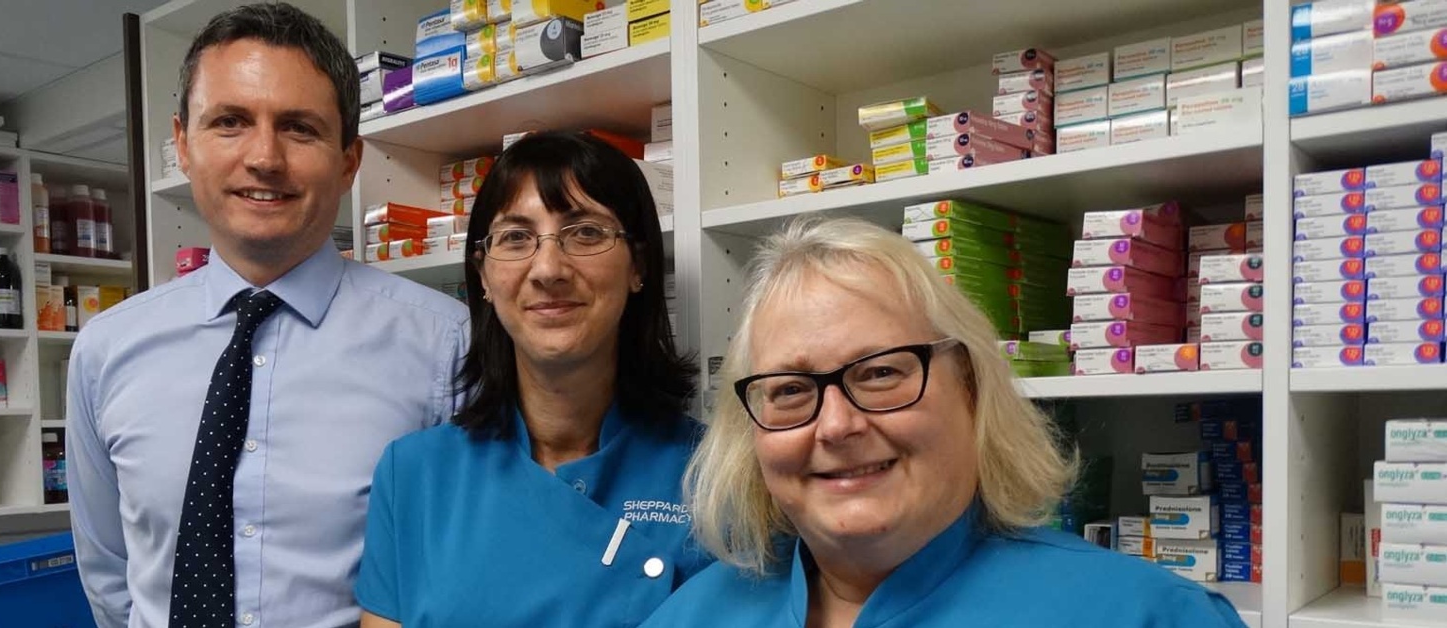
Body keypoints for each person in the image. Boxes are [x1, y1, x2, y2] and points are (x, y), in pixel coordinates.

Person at [66, 4, 469, 628]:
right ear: (182, 145)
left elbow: (463, 570)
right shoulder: (106, 348)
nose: (264, 158)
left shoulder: (445, 345)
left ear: (348, 160)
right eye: (229, 122)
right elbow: (109, 574)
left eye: (299, 128)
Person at [641, 217, 1247, 627]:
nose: (835, 426)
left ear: (971, 389)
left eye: (880, 374)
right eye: (792, 390)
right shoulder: (693, 615)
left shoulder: (1142, 614)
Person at [355, 131, 706, 627]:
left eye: (585, 232)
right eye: (515, 237)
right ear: (482, 275)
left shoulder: (716, 477)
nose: (547, 269)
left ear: (639, 265)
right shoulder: (413, 474)